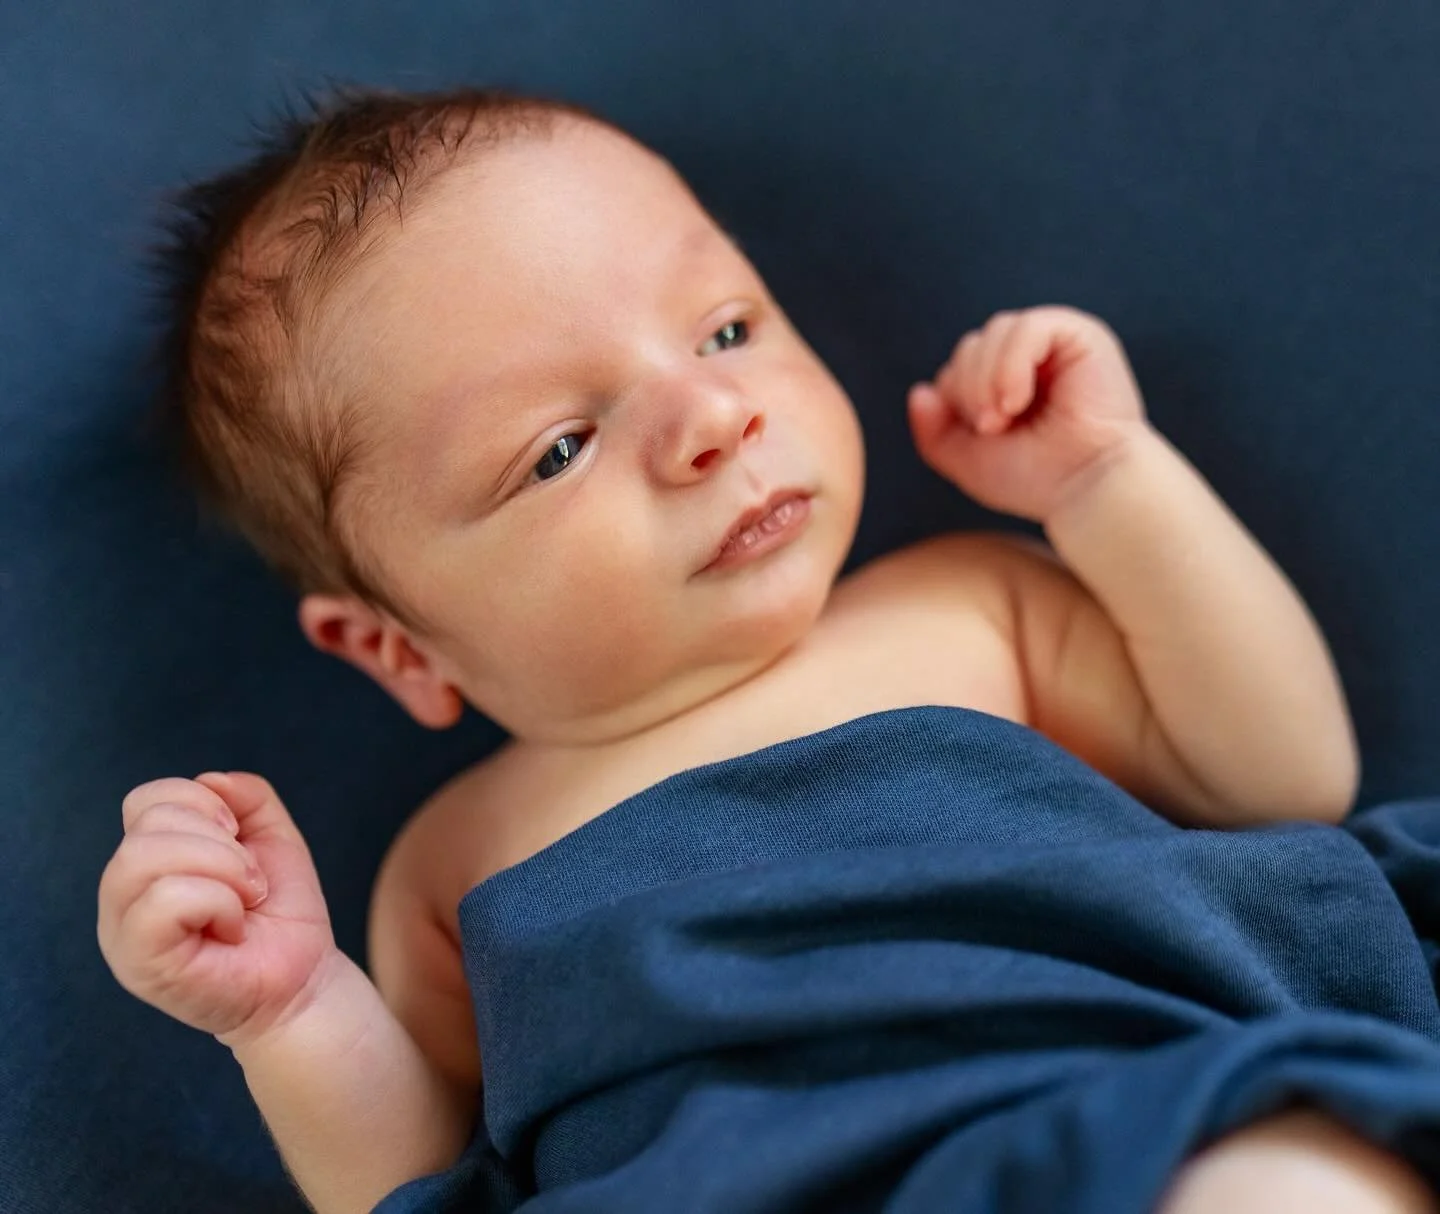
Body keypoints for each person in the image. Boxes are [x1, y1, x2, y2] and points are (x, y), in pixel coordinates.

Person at [95, 87, 1437, 1214]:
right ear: (396, 648)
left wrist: (1107, 484)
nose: (713, 416)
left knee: (1293, 1177)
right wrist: (290, 1015)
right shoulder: (453, 859)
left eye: (726, 329)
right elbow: (431, 1181)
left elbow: (1280, 777)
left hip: (1109, 1112)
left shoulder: (970, 602)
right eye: (559, 448)